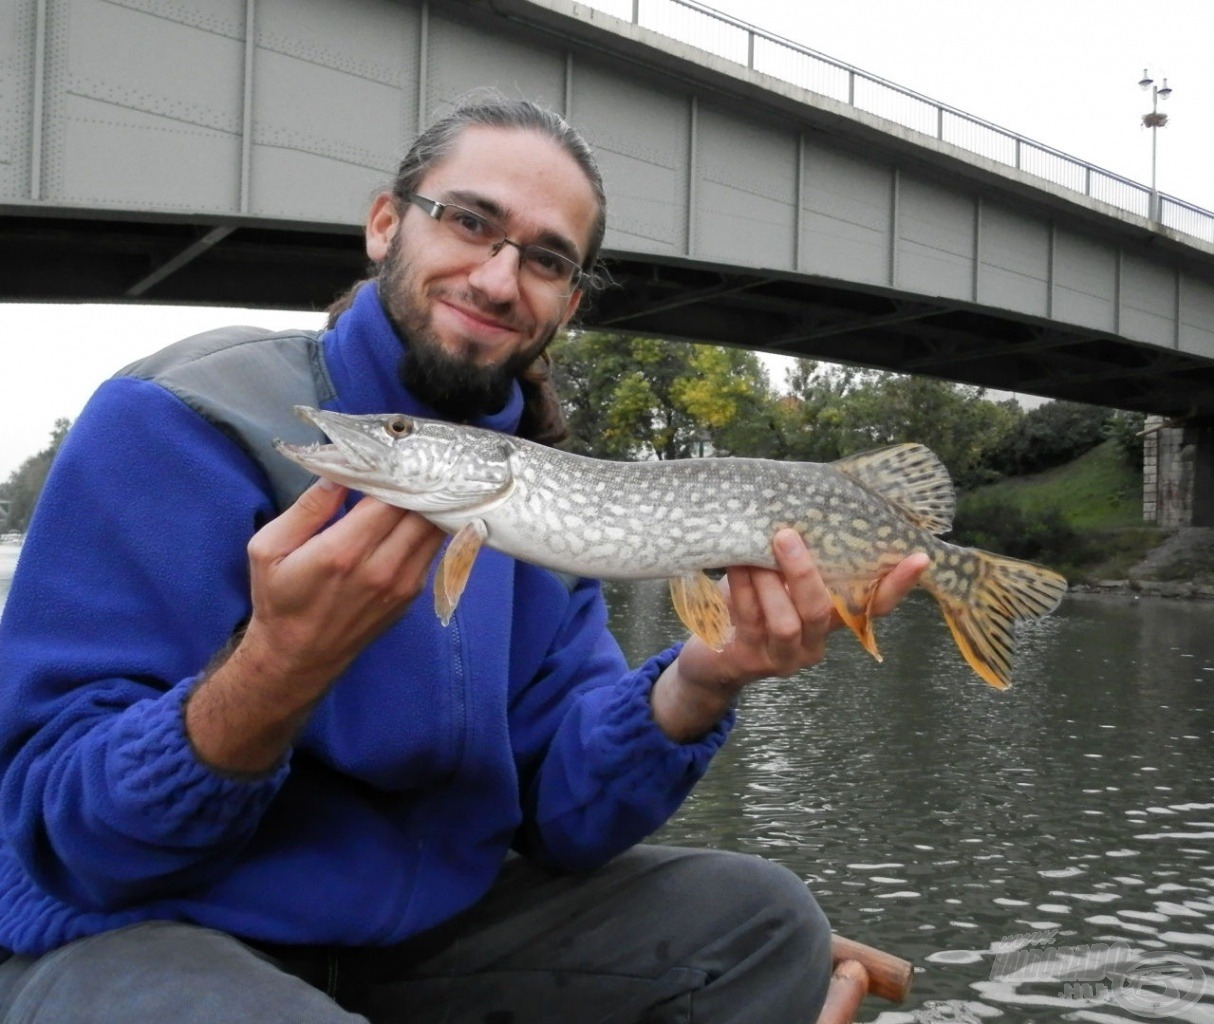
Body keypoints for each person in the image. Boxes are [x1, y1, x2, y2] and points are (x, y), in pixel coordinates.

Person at [0, 98, 927, 1023]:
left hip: (419, 943)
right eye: (469, 221)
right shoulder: (175, 418)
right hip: (136, 931)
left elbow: (561, 820)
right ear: (384, 223)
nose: (496, 277)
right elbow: (69, 840)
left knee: (765, 923)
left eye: (547, 259)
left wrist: (702, 680)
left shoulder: (538, 505)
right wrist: (278, 669)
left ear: (568, 301)